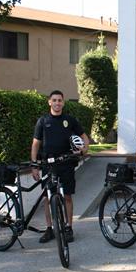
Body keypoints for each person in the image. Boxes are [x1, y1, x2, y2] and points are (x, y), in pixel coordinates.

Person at [31, 90, 89, 243]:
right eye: (54, 100)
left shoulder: (70, 120)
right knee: (47, 198)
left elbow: (84, 137)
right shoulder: (42, 121)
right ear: (49, 102)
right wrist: (34, 165)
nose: (57, 103)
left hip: (66, 163)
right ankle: (49, 229)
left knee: (67, 196)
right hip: (47, 164)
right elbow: (36, 144)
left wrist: (85, 148)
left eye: (60, 100)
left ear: (63, 102)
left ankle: (69, 227)